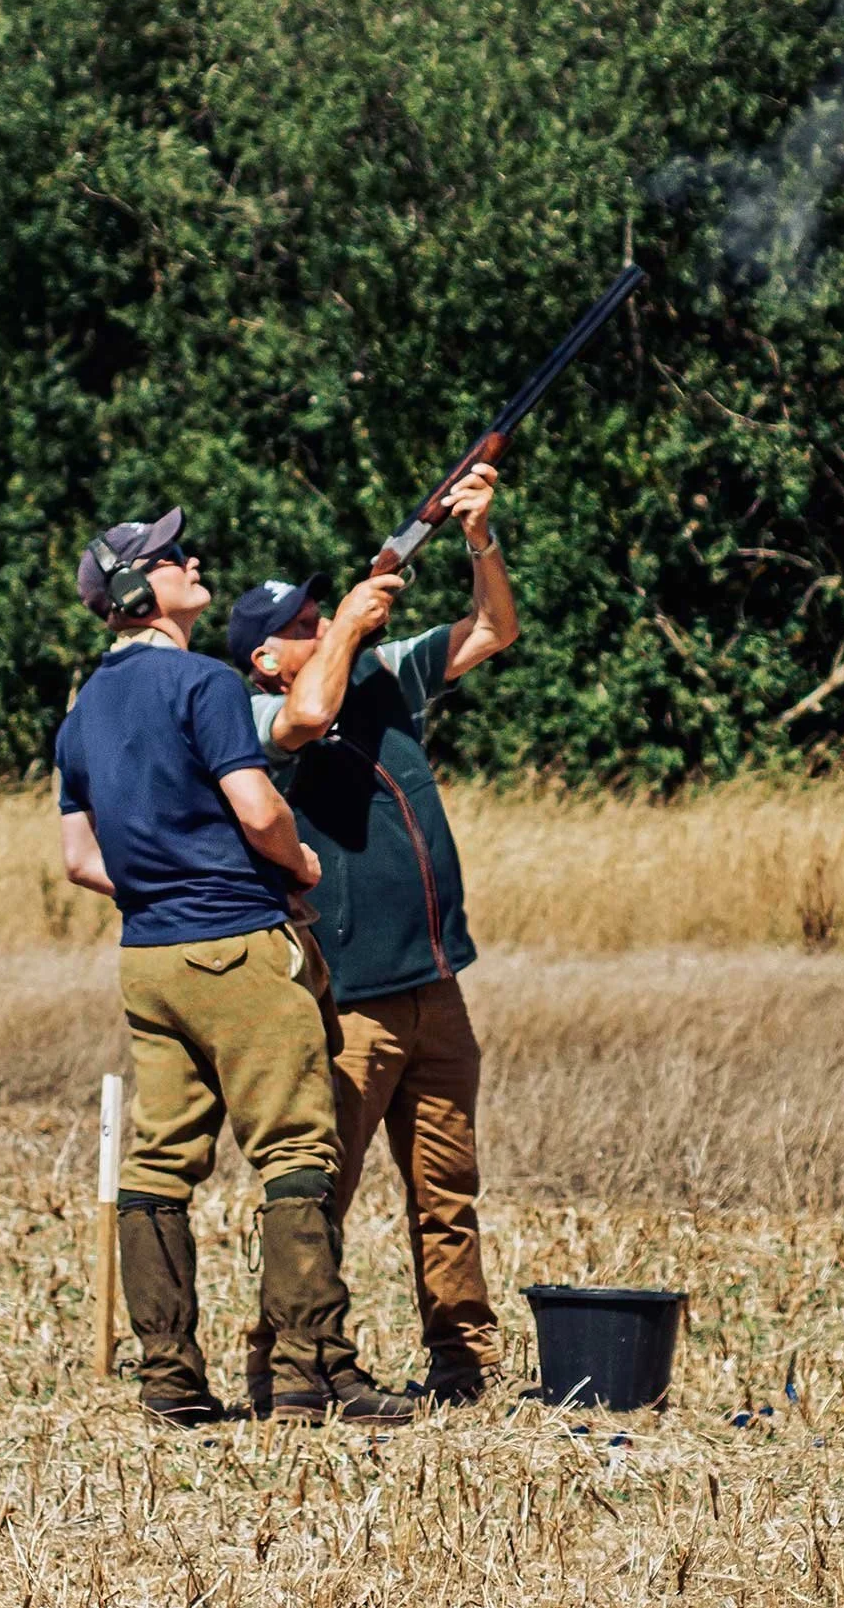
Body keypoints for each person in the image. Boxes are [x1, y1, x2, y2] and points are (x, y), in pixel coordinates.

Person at [55, 506, 418, 1428]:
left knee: (160, 1164)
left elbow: (80, 860)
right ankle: (306, 1374)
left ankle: (170, 1379)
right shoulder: (203, 683)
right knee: (297, 1151)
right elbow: (259, 808)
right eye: (177, 557)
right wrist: (298, 865)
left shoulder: (81, 710)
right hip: (239, 946)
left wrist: (157, 886)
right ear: (142, 588)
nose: (195, 558)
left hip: (148, 958)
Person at [225, 462, 518, 1406]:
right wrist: (348, 623)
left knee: (449, 1193)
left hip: (437, 984)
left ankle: (464, 1359)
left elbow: (494, 629)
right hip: (351, 997)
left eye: (322, 614)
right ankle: (289, 1360)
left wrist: (477, 537)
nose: (317, 625)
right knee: (324, 1197)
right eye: (298, 626)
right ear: (264, 658)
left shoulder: (387, 676)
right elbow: (311, 713)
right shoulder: (259, 712)